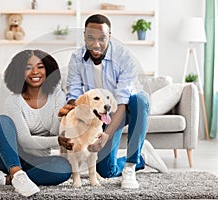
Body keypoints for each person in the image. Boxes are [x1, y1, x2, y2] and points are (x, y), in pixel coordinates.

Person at [59, 14, 167, 189]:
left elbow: (123, 101)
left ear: (110, 35)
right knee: (106, 170)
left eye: (102, 38)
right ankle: (143, 157)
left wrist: (106, 135)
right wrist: (69, 125)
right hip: (98, 115)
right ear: (84, 36)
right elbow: (75, 97)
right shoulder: (76, 58)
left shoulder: (124, 57)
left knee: (139, 99)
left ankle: (131, 165)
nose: (96, 44)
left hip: (126, 110)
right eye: (90, 38)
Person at [0, 49, 72, 197]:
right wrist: (57, 141)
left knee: (64, 168)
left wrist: (59, 117)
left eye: (40, 67)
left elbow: (54, 131)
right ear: (20, 72)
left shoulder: (58, 96)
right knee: (1, 121)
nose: (35, 72)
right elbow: (25, 141)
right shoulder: (13, 100)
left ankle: (7, 180)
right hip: (8, 158)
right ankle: (16, 174)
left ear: (48, 70)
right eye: (28, 67)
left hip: (38, 160)